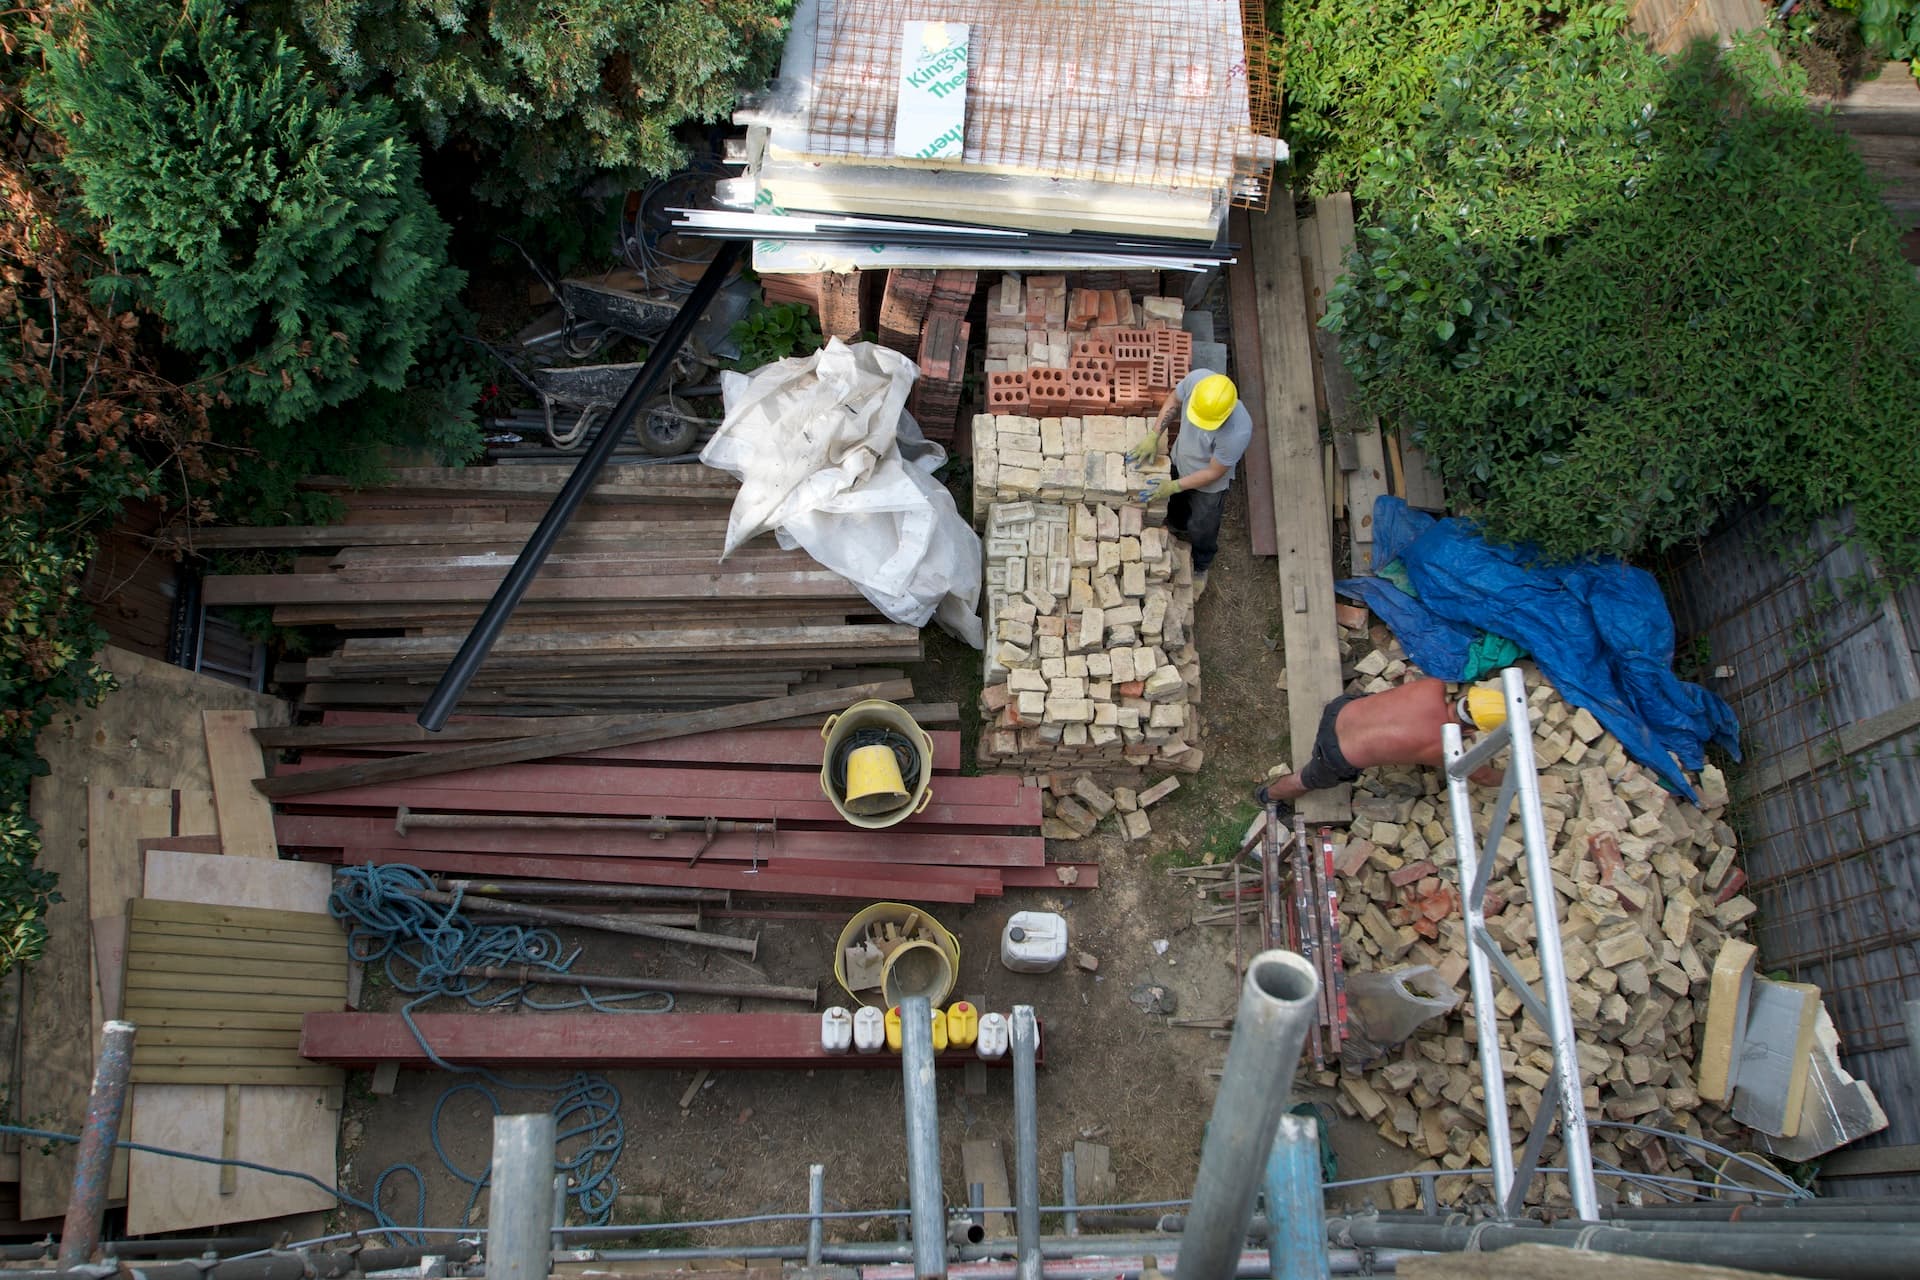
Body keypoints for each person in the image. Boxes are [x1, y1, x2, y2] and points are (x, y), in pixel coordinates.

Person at [1254, 677, 1505, 809]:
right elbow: (1481, 777)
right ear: (1472, 728)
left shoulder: (1433, 686)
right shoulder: (1441, 747)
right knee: (1306, 780)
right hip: (1335, 752)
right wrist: (1515, 778)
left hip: (1339, 709)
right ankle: (1268, 795)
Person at [1128, 370, 1250, 597]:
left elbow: (1213, 472)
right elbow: (1174, 400)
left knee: (1202, 525)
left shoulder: (1237, 431)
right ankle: (1176, 529)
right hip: (1180, 459)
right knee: (1176, 508)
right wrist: (1154, 435)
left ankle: (1202, 564)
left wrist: (1174, 486)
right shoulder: (1198, 381)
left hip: (1208, 486)